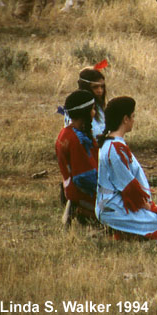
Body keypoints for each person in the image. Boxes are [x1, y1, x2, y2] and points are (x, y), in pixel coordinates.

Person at [96, 96, 157, 240]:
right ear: (125, 119)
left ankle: (128, 233)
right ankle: (122, 232)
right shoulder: (115, 148)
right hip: (114, 208)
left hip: (112, 205)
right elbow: (128, 188)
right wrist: (150, 207)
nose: (134, 120)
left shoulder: (110, 143)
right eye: (133, 116)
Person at [55, 90, 99, 226]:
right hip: (82, 194)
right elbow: (84, 177)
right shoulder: (76, 140)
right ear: (84, 113)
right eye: (92, 109)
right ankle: (84, 212)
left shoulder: (65, 133)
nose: (95, 112)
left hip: (72, 191)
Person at [76, 64, 108, 137]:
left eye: (102, 87)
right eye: (95, 87)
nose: (100, 91)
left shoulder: (98, 106)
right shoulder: (79, 108)